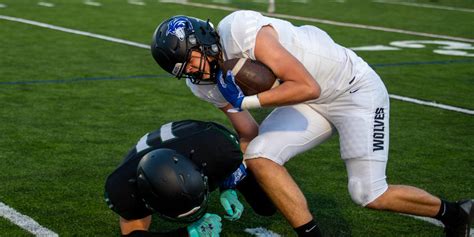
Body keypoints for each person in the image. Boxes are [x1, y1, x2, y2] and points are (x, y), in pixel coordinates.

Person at [149, 11, 473, 237]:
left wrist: (246, 101)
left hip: (353, 90)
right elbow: (248, 131)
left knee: (368, 194)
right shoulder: (202, 84)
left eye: (191, 59)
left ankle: (454, 214)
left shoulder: (240, 30)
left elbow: (307, 86)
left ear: (203, 38)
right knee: (259, 156)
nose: (195, 71)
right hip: (306, 103)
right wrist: (242, 177)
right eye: (184, 70)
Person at [104, 120, 275, 236]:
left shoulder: (220, 150)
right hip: (167, 155)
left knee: (266, 206)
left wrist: (229, 185)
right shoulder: (123, 188)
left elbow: (243, 151)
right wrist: (189, 233)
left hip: (198, 136)